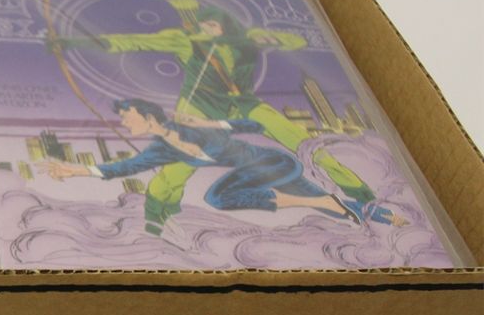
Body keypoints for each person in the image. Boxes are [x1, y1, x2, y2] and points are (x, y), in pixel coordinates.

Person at [53, 0, 375, 235]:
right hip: (199, 110)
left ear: (226, 27)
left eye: (214, 26)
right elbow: (134, 41)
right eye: (204, 26)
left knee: (306, 144)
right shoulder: (187, 41)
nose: (208, 31)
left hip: (243, 105)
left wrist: (262, 38)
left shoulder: (245, 40)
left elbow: (297, 40)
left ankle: (359, 191)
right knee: (176, 167)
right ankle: (158, 213)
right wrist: (73, 41)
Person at [38, 99, 405, 234]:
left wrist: (210, 124)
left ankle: (323, 203)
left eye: (127, 116)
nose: (124, 122)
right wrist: (74, 171)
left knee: (217, 196)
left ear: (147, 115)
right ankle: (390, 218)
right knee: (337, 209)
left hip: (272, 164)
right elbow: (124, 167)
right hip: (255, 178)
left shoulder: (191, 125)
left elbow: (254, 124)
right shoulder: (162, 149)